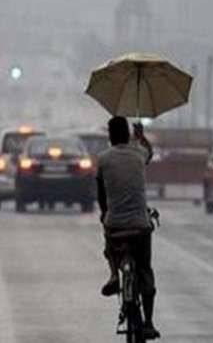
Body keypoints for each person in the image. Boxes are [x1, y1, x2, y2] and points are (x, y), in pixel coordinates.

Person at [96, 116, 160, 340]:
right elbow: (149, 152)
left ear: (110, 137)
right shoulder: (139, 154)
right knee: (145, 270)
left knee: (109, 240)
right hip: (140, 227)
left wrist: (105, 213)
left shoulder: (103, 159)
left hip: (115, 228)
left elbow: (100, 195)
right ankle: (149, 322)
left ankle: (114, 274)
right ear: (128, 134)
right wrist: (142, 138)